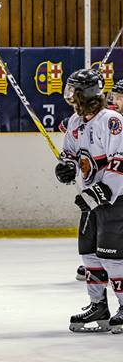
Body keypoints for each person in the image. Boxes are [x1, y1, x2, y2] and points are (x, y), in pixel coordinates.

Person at [54, 68, 123, 333]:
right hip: (91, 200)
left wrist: (99, 194)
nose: (69, 96)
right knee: (89, 253)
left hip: (114, 201)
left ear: (88, 93)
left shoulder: (112, 121)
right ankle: (98, 306)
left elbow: (119, 162)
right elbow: (70, 154)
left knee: (113, 256)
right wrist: (65, 168)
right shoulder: (75, 122)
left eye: (74, 90)